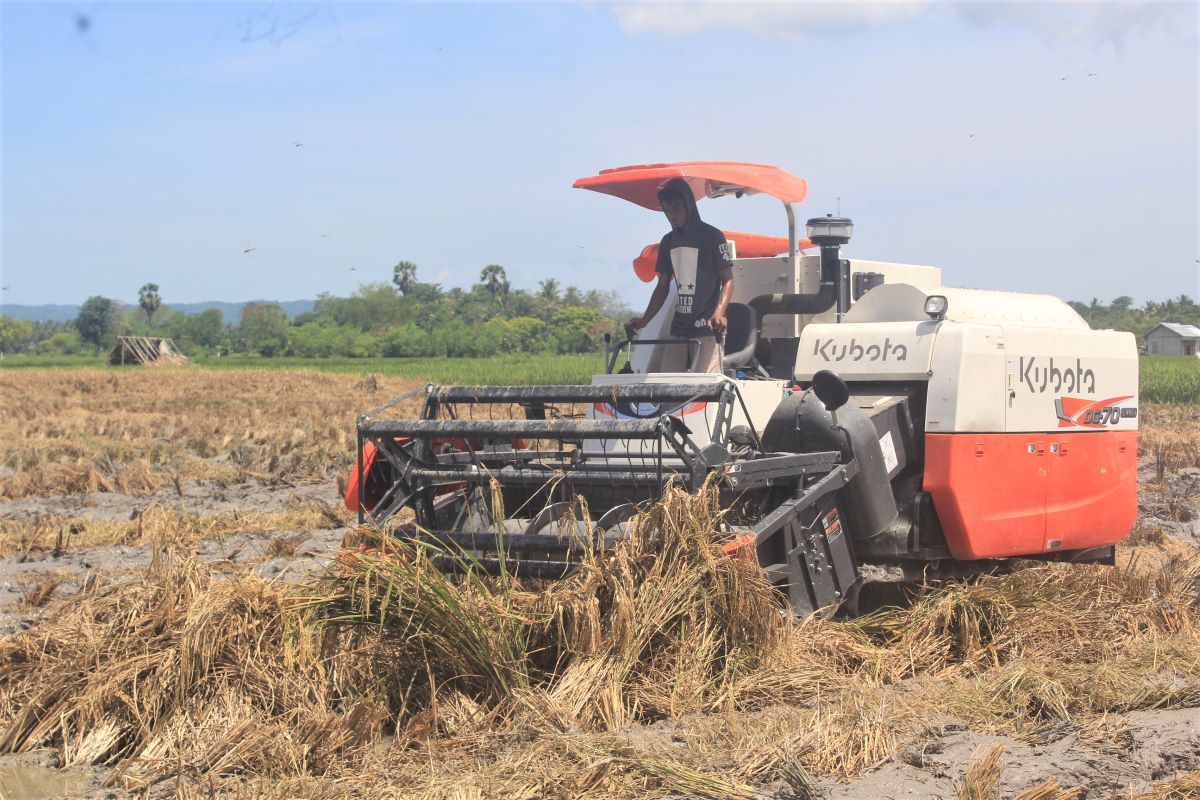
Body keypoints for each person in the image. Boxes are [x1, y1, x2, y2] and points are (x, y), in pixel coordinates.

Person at [625, 177, 734, 373]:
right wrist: (644, 320)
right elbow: (662, 287)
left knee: (705, 386)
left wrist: (719, 313)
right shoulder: (668, 242)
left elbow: (728, 280)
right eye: (667, 210)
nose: (672, 215)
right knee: (669, 384)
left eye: (677, 209)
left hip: (707, 329)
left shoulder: (713, 236)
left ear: (689, 206)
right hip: (679, 328)